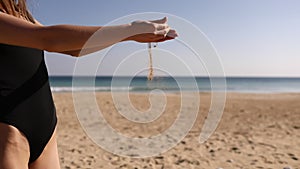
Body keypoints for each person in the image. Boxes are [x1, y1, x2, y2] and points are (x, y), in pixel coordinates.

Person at [0, 0, 178, 169]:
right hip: (8, 131)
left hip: (45, 128)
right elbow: (48, 39)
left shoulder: (20, 14)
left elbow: (72, 49)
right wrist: (129, 30)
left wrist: (129, 36)